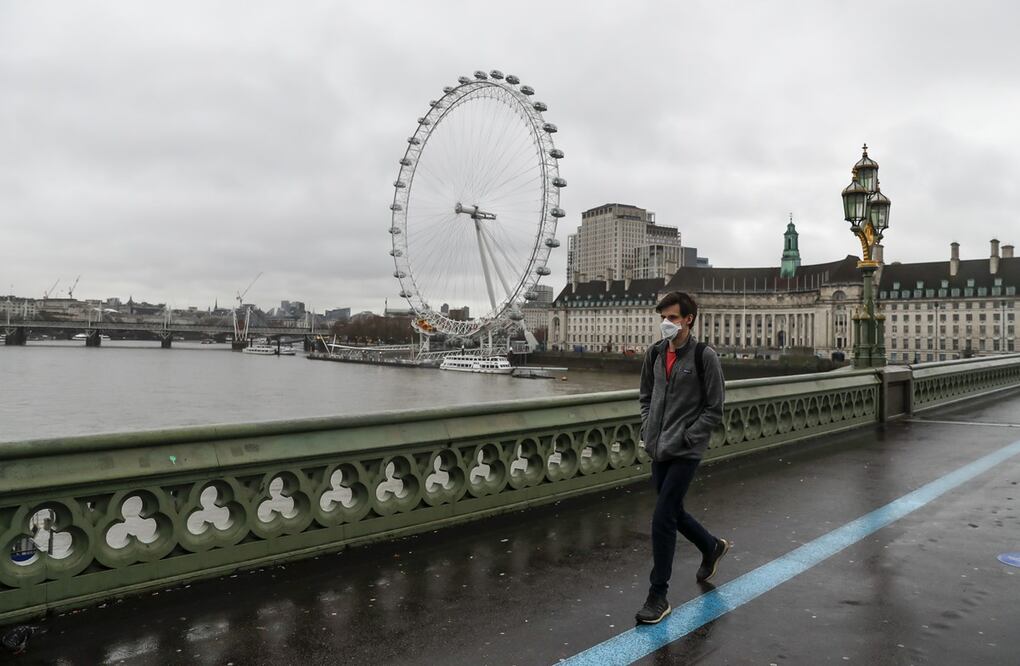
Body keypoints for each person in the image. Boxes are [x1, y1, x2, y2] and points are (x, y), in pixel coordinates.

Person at [635, 291, 729, 625]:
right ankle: (711, 546)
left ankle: (658, 595)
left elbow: (715, 408)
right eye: (663, 317)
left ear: (688, 319)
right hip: (658, 447)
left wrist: (690, 436)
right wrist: (647, 429)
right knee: (673, 511)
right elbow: (646, 396)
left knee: (662, 517)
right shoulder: (656, 354)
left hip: (686, 450)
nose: (666, 323)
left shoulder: (705, 357)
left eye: (673, 318)